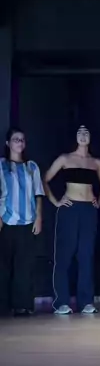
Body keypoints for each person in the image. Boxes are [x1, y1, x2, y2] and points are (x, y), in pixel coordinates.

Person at [44, 125, 100, 315]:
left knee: (86, 255)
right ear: (75, 137)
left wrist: (98, 202)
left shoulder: (96, 162)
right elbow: (45, 179)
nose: (83, 135)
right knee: (64, 255)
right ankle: (61, 302)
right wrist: (56, 201)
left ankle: (86, 301)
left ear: (90, 137)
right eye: (79, 132)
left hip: (88, 210)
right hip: (70, 209)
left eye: (86, 132)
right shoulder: (65, 158)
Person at [0, 127, 44, 316]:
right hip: (6, 220)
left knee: (24, 266)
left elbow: (38, 193)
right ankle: (3, 305)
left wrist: (39, 217)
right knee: (4, 265)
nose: (19, 142)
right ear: (8, 143)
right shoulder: (1, 165)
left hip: (27, 221)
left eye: (22, 139)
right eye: (16, 139)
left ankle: (23, 304)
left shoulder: (31, 166)